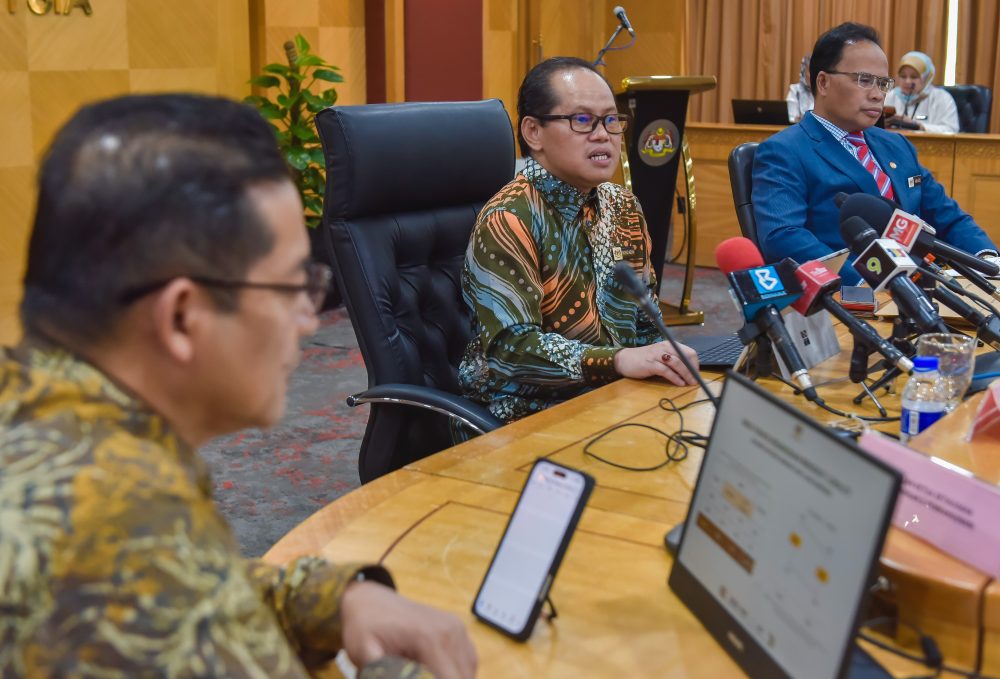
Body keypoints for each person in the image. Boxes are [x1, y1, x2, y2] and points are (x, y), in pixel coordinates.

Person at [0, 94, 477, 678]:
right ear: (182, 317)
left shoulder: (42, 416)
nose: (309, 320)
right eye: (292, 287)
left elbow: (187, 582)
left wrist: (333, 598)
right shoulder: (115, 527)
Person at [458, 56, 699, 423]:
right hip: (522, 413)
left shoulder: (623, 206)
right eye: (582, 120)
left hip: (614, 395)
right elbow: (511, 351)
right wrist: (616, 361)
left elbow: (645, 322)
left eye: (611, 120)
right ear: (533, 132)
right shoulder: (510, 218)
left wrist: (665, 356)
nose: (603, 135)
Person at [752, 23, 996, 285]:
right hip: (851, 295)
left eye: (883, 83)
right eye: (864, 80)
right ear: (823, 82)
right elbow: (784, 237)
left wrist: (989, 261)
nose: (878, 95)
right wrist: (872, 283)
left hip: (924, 286)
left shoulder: (897, 145)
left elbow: (948, 215)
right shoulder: (784, 151)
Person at [884, 51, 960, 133]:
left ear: (926, 78)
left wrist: (918, 126)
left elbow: (951, 130)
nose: (908, 81)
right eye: (903, 76)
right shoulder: (890, 96)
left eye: (914, 77)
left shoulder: (942, 98)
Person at [786, 55, 815, 123]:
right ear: (803, 72)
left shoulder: (825, 92)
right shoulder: (795, 90)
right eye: (811, 71)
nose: (814, 75)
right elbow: (792, 119)